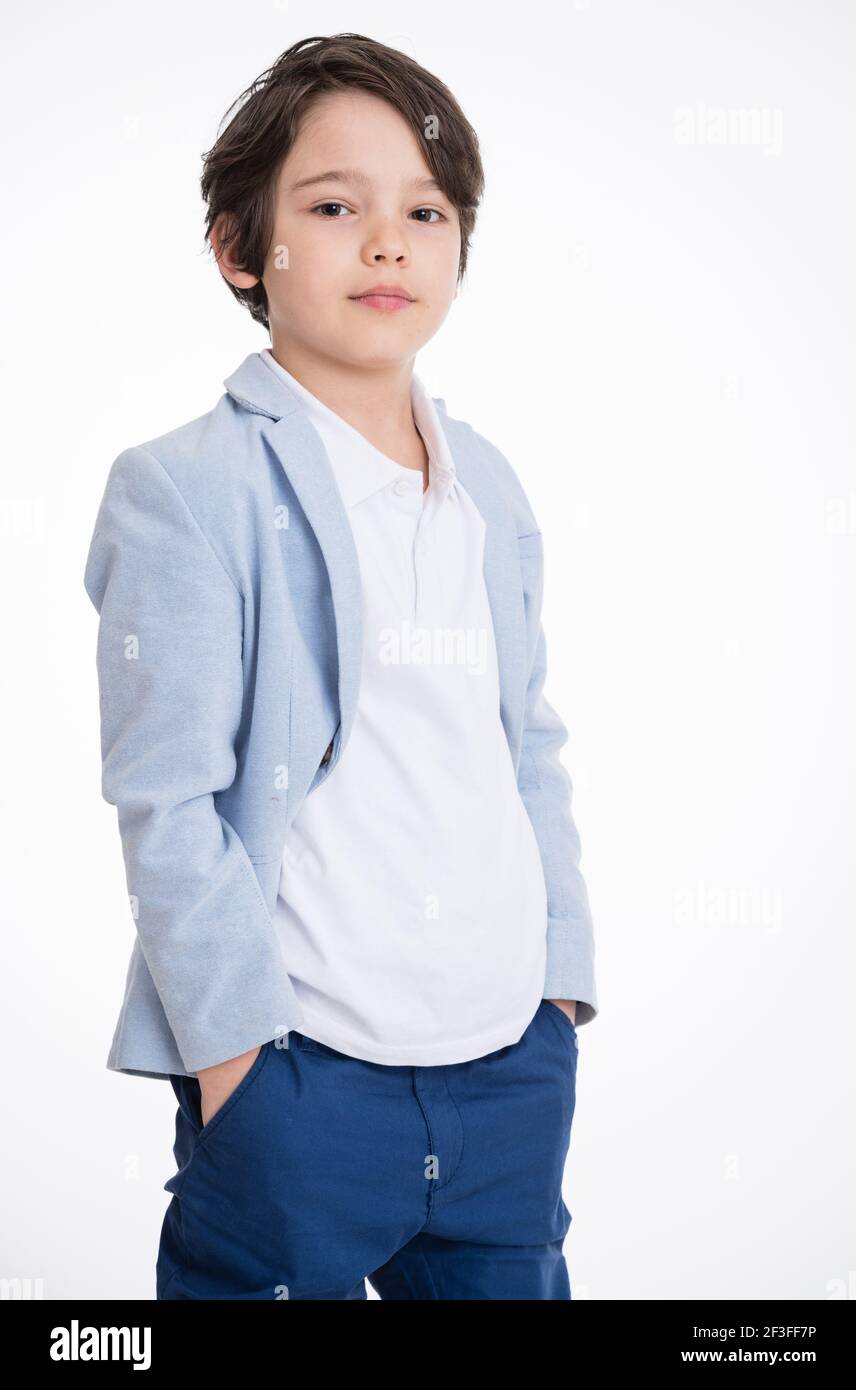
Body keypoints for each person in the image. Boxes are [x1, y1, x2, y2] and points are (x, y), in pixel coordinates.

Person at [83, 32, 599, 1300]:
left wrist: (561, 989)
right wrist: (235, 1070)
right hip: (299, 1075)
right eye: (333, 206)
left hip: (505, 1073)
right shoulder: (188, 488)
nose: (388, 242)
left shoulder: (486, 480)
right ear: (240, 249)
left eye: (425, 210)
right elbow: (169, 800)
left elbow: (521, 737)